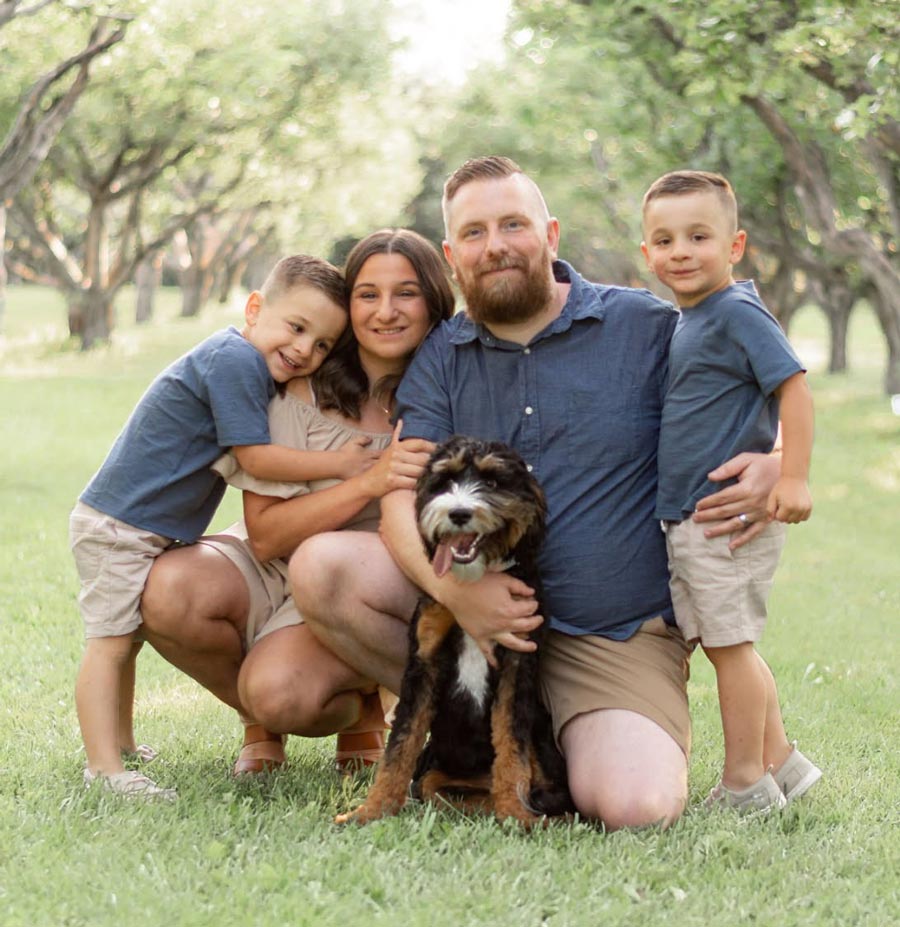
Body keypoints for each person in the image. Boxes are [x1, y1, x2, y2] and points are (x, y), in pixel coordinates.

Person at [291, 155, 783, 830]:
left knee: (635, 808)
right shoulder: (442, 355)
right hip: (475, 611)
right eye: (474, 232)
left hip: (608, 635)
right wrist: (456, 594)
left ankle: (564, 738)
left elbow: (745, 390)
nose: (495, 245)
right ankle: (466, 724)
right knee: (323, 568)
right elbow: (401, 499)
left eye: (513, 225)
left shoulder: (644, 326)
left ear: (550, 234)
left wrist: (775, 461)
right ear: (452, 256)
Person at [140, 229, 454, 775]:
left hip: (363, 581)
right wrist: (366, 482)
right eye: (368, 294)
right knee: (168, 591)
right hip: (277, 559)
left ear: (434, 300)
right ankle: (260, 724)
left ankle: (362, 710)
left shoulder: (452, 388)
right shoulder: (304, 386)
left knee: (282, 692)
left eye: (406, 293)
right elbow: (265, 536)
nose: (385, 311)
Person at [71, 254, 361, 798]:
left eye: (322, 344)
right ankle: (104, 769)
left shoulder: (244, 362)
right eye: (296, 327)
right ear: (254, 309)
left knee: (128, 642)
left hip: (140, 527)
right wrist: (342, 465)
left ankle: (123, 744)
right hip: (119, 528)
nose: (305, 350)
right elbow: (254, 457)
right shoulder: (235, 361)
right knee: (109, 644)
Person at [641, 169, 822, 812]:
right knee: (729, 646)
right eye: (665, 240)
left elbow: (794, 388)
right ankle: (783, 763)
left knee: (730, 648)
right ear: (647, 253)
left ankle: (745, 780)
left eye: (699, 236)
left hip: (725, 519)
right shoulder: (690, 318)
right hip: (693, 516)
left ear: (735, 245)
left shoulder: (738, 311)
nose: (681, 252)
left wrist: (792, 475)